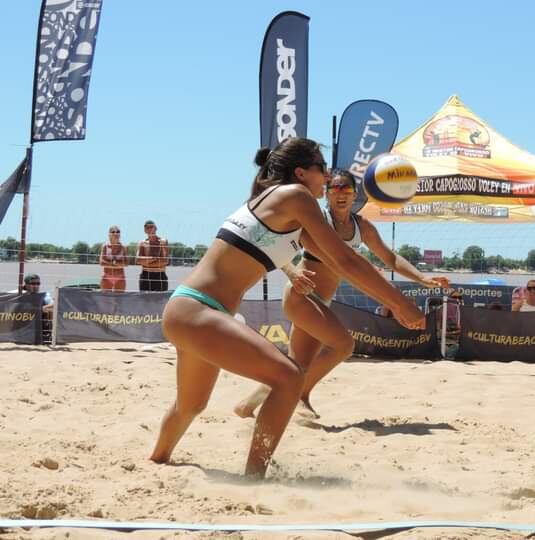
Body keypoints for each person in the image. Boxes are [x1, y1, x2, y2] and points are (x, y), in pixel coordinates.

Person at [150, 139, 424, 478]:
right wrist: (399, 303)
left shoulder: (285, 209)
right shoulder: (294, 196)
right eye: (322, 170)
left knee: (191, 405)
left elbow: (341, 262)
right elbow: (346, 260)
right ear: (300, 173)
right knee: (289, 378)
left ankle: (157, 461)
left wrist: (399, 293)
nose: (326, 177)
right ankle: (254, 479)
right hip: (199, 311)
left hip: (190, 310)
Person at [234, 169, 449, 419]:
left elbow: (390, 258)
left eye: (346, 189)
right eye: (334, 189)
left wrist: (422, 278)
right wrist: (292, 272)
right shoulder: (317, 219)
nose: (341, 194)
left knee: (299, 363)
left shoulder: (362, 227)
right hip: (301, 296)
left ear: (355, 194)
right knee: (343, 345)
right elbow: (275, 243)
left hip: (323, 300)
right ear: (326, 194)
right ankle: (300, 398)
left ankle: (248, 406)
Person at [137, 220, 169, 291]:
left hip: (160, 275)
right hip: (145, 275)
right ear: (144, 230)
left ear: (156, 228)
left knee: (161, 300)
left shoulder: (163, 241)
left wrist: (146, 262)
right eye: (147, 227)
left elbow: (165, 261)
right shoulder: (142, 243)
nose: (149, 229)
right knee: (144, 300)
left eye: (151, 226)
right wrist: (154, 258)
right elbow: (138, 260)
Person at [21, 273, 54, 343]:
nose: (36, 286)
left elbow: (54, 305)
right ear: (26, 285)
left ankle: (50, 335)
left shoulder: (44, 295)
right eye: (33, 283)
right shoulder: (20, 295)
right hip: (23, 324)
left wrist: (40, 309)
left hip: (40, 322)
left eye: (38, 283)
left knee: (50, 310)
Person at [100, 225, 128, 292]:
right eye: (113, 232)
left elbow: (126, 264)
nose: (116, 233)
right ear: (109, 234)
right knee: (105, 300)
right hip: (107, 276)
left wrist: (109, 263)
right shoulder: (105, 246)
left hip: (120, 277)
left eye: (118, 232)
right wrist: (116, 263)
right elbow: (101, 262)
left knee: (119, 300)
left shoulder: (123, 247)